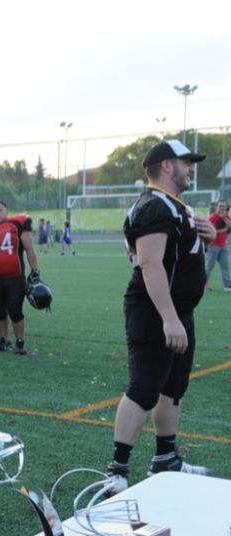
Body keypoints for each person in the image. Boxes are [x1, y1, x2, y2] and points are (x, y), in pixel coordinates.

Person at [105, 140, 216, 493]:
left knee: (173, 387)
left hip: (177, 310)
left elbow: (176, 259)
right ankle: (117, 470)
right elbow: (150, 264)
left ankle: (166, 459)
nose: (191, 169)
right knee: (144, 387)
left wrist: (209, 239)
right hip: (156, 310)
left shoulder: (171, 205)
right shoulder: (155, 206)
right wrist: (169, 318)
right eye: (186, 163)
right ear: (168, 166)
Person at [0, 201, 40, 354]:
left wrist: (35, 270)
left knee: (15, 309)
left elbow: (30, 249)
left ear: (7, 210)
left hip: (15, 277)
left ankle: (20, 341)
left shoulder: (17, 225)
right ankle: (4, 340)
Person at [204, 200, 230, 291]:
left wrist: (224, 218)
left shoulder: (226, 217)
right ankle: (204, 285)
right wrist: (225, 230)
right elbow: (213, 231)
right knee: (209, 267)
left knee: (225, 267)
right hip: (213, 245)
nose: (222, 208)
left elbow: (230, 227)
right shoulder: (212, 217)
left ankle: (227, 286)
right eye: (220, 206)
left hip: (223, 246)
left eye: (224, 206)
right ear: (216, 207)